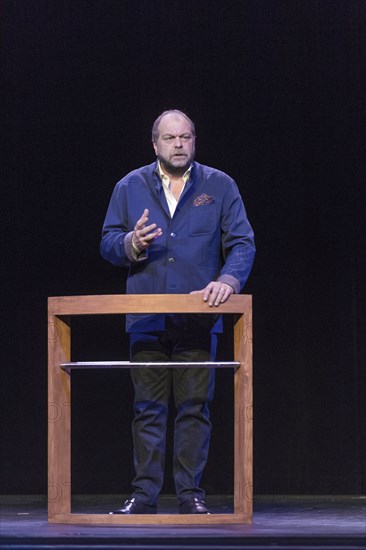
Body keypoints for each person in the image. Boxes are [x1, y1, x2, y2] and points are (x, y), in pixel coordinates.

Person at [100, 109, 255, 514]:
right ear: (156, 144)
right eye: (170, 139)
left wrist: (228, 281)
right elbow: (108, 242)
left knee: (193, 408)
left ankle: (190, 495)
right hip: (147, 320)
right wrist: (131, 243)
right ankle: (144, 494)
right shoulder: (129, 187)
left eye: (185, 137)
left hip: (197, 318)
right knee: (147, 410)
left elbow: (242, 243)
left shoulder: (219, 186)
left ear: (194, 141)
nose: (179, 145)